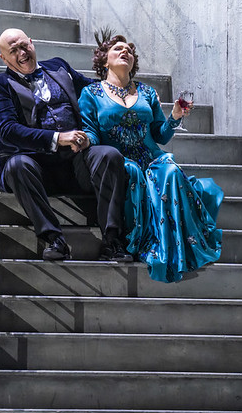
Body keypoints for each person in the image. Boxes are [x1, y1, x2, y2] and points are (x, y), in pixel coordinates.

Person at [78, 33, 223, 282]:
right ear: (104, 61)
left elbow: (160, 135)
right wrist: (84, 140)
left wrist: (175, 116)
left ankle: (175, 245)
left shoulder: (147, 91)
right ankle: (139, 241)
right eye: (118, 49)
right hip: (120, 160)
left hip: (151, 157)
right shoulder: (91, 93)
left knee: (172, 171)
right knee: (132, 172)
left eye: (129, 51)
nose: (125, 52)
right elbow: (92, 132)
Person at [0, 28, 131, 261]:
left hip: (76, 162)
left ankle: (112, 240)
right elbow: (6, 130)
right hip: (35, 168)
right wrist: (57, 138)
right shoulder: (1, 83)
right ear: (4, 58)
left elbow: (94, 91)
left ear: (32, 43)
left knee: (109, 155)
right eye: (13, 50)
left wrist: (131, 92)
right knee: (16, 166)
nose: (22, 53)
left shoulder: (58, 66)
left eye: (23, 46)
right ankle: (53, 238)